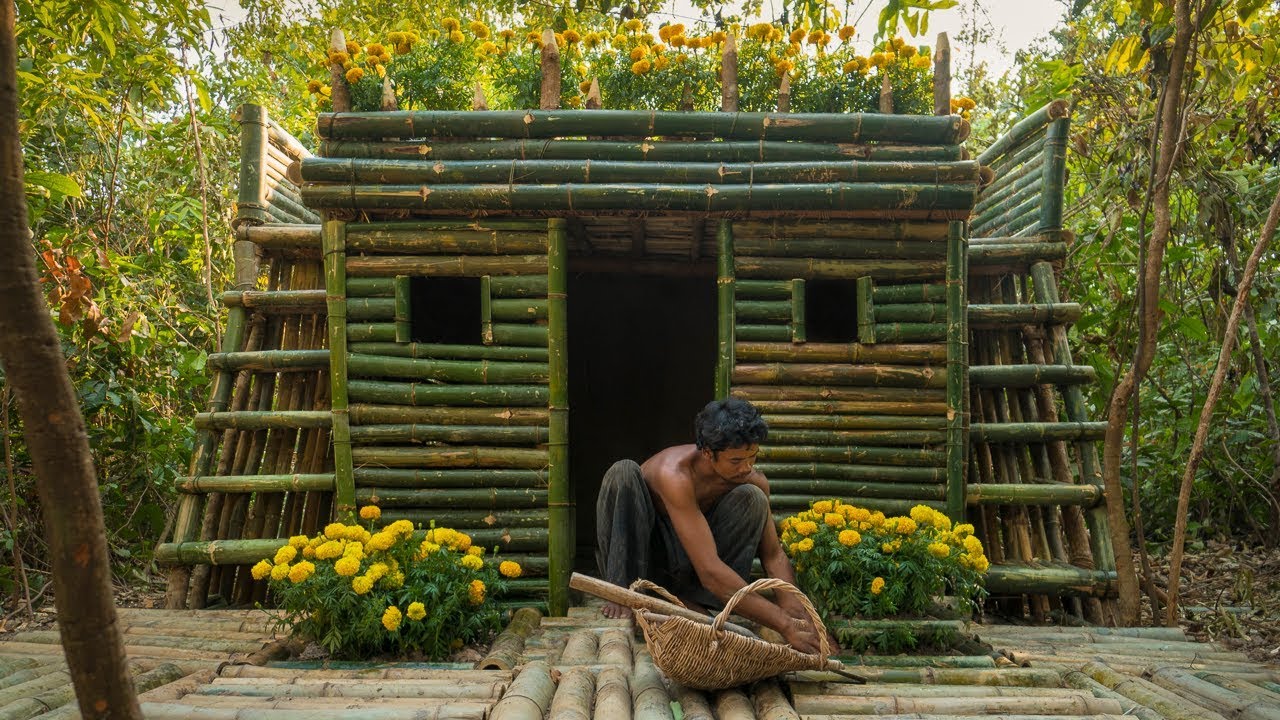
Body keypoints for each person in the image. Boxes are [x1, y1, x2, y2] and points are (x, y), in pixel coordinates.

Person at [594, 397, 825, 654]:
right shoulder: (674, 474)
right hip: (647, 562)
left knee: (753, 496)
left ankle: (690, 601)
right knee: (623, 471)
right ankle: (623, 592)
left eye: (752, 457)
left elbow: (773, 555)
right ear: (707, 453)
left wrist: (798, 618)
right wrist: (782, 623)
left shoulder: (752, 479)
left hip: (689, 566)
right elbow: (710, 571)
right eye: (736, 461)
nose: (747, 467)